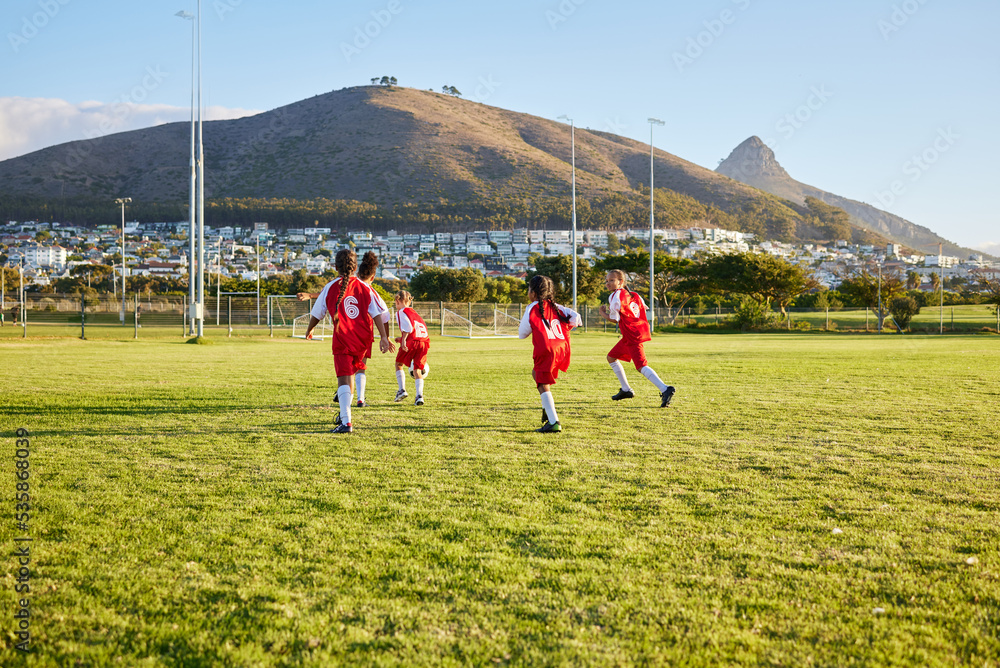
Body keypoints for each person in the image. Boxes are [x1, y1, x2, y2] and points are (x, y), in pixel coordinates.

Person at [304, 250, 394, 433]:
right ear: (355, 267)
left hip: (343, 337)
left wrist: (310, 328)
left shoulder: (330, 287)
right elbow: (377, 313)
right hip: (362, 339)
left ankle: (346, 422)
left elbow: (317, 313)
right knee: (350, 376)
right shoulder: (364, 287)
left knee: (343, 378)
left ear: (335, 267)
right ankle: (344, 414)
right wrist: (384, 337)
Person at [598, 269, 675, 407]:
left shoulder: (615, 296)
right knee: (611, 357)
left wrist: (602, 313)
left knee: (641, 366)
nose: (607, 283)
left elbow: (615, 319)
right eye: (606, 281)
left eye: (611, 280)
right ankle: (626, 389)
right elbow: (642, 308)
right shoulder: (634, 294)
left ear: (620, 282)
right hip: (633, 333)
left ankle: (665, 389)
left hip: (632, 335)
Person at [518, 275, 581, 433]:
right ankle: (547, 407)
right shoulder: (556, 306)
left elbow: (522, 334)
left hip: (546, 349)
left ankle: (553, 422)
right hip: (561, 347)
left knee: (542, 384)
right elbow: (577, 318)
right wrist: (564, 328)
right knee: (536, 374)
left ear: (533, 292)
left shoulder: (532, 307)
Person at [392, 290, 430, 405]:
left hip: (411, 342)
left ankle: (401, 390)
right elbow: (416, 328)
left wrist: (404, 340)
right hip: (423, 342)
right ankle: (419, 396)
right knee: (417, 369)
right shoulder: (414, 312)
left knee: (398, 364)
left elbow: (408, 327)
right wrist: (402, 338)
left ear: (398, 301)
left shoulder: (400, 312)